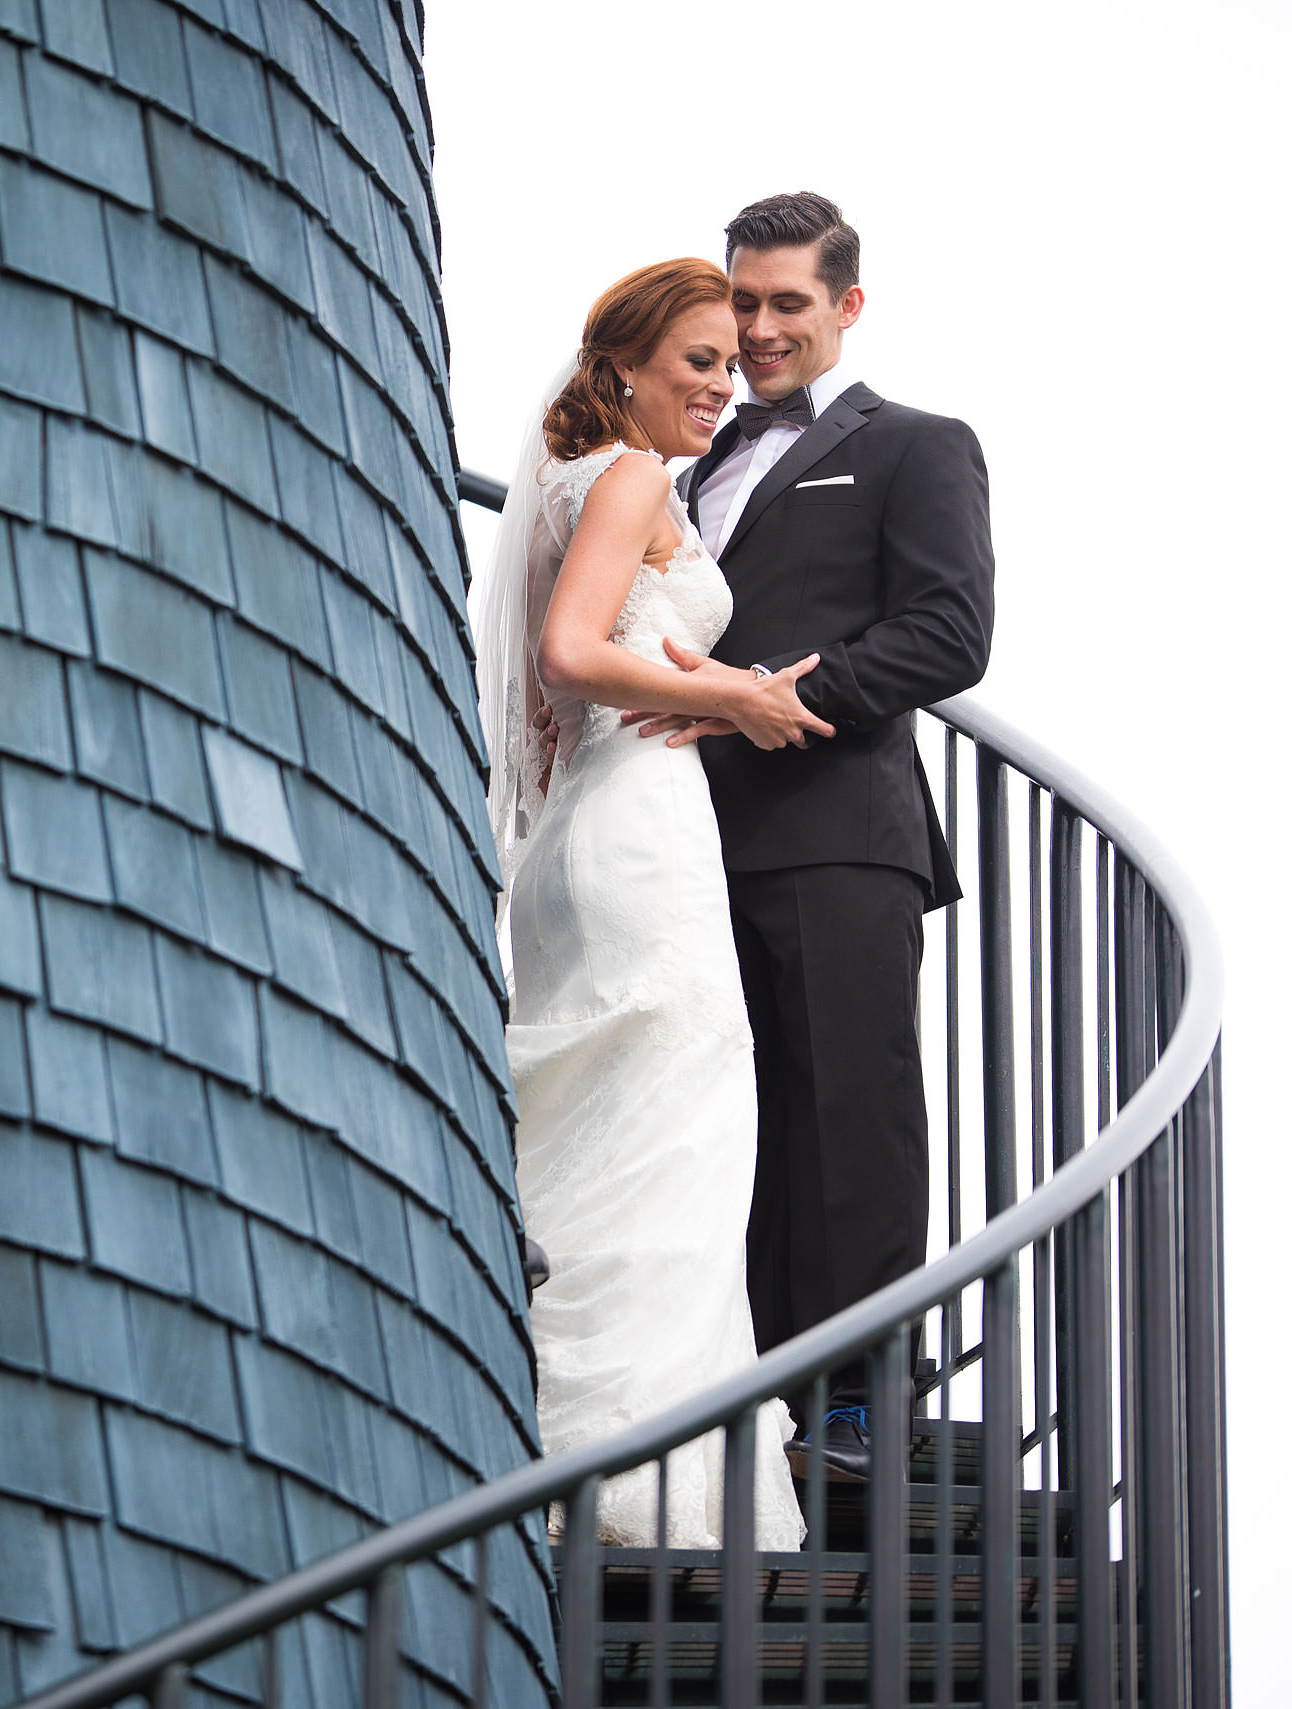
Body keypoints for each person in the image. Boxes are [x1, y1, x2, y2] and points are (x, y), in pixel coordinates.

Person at [628, 195, 993, 1482]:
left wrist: (790, 694)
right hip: (680, 839)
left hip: (834, 824)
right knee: (719, 1116)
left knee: (850, 1112)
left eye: (790, 302)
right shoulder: (680, 470)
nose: (762, 326)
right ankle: (731, 1381)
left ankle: (853, 1401)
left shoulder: (916, 446)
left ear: (845, 307)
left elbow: (950, 633)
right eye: (744, 301)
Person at [475, 258, 819, 1548]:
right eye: (698, 362)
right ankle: (647, 1487)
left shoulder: (568, 482)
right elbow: (571, 651)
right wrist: (732, 693)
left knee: (603, 1121)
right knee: (676, 1126)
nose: (722, 386)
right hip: (636, 839)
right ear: (622, 365)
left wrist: (697, 684)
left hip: (584, 838)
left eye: (730, 366)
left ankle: (554, 1432)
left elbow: (563, 678)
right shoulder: (625, 477)